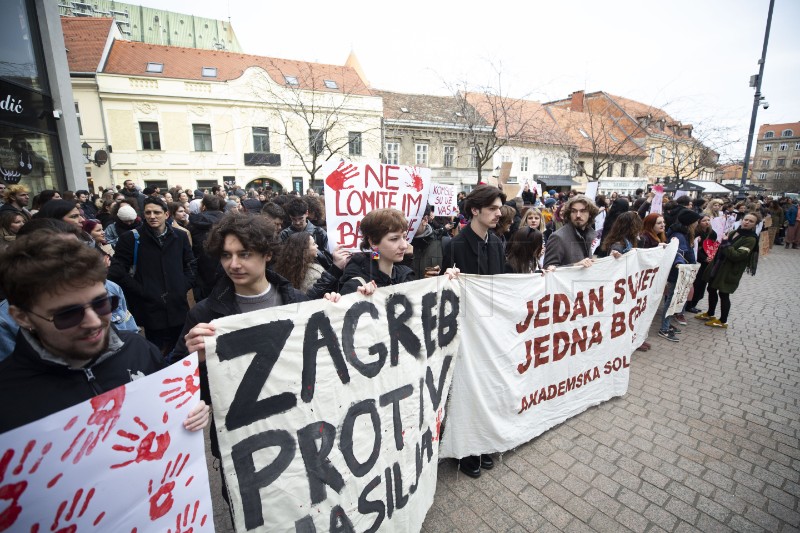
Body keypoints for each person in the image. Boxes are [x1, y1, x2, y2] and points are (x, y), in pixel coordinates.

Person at [0, 233, 207, 433]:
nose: (93, 322)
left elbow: (168, 407)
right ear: (22, 317)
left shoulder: (138, 349)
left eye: (102, 303)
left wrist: (188, 413)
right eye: (68, 314)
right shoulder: (8, 398)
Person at [441, 185, 506, 479]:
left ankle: (481, 441)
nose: (498, 213)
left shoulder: (497, 243)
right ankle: (465, 450)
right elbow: (443, 294)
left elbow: (502, 283)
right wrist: (447, 279)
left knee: (487, 386)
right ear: (475, 211)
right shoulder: (454, 245)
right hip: (464, 330)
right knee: (466, 389)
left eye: (499, 208)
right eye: (492, 208)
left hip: (489, 330)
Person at [109, 197, 195, 356]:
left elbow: (190, 264)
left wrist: (183, 285)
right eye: (148, 212)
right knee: (156, 352)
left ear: (167, 214)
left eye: (157, 212)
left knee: (181, 351)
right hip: (151, 307)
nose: (152, 216)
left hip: (177, 304)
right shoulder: (131, 238)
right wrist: (142, 290)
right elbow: (118, 270)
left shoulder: (180, 236)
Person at [697, 212, 760, 329]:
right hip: (718, 266)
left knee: (723, 293)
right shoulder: (734, 232)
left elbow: (737, 255)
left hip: (730, 270)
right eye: (746, 219)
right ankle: (710, 314)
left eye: (751, 221)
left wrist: (725, 243)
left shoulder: (751, 239)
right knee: (711, 288)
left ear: (755, 224)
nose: (747, 222)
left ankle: (723, 321)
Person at [339, 208, 416, 295]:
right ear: (373, 242)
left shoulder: (406, 275)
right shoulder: (357, 285)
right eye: (394, 239)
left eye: (404, 237)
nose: (404, 246)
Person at [657, 209, 702, 342]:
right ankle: (664, 329)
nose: (697, 224)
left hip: (681, 272)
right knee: (671, 301)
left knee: (671, 300)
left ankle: (667, 324)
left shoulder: (683, 233)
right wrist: (680, 264)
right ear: (690, 222)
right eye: (696, 221)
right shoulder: (680, 235)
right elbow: (679, 253)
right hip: (677, 273)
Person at [272, 231, 350, 296]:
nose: (317, 246)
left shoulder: (288, 267)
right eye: (313, 244)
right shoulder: (312, 273)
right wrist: (336, 267)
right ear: (304, 250)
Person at [542, 195, 599, 269]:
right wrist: (575, 265)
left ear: (590, 214)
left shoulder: (589, 234)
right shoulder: (558, 237)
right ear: (569, 214)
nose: (578, 215)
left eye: (583, 211)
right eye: (574, 211)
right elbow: (548, 269)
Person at [280, 197, 332, 268]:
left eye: (301, 218)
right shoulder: (284, 234)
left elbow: (328, 259)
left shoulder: (320, 233)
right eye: (293, 219)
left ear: (307, 213)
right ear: (289, 216)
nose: (297, 222)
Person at [685, 214, 716, 314]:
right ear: (699, 222)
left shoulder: (712, 233)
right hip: (697, 261)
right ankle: (689, 305)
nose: (707, 222)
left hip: (706, 263)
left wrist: (710, 256)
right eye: (704, 220)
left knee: (702, 284)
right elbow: (694, 249)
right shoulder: (695, 232)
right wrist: (703, 257)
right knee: (695, 284)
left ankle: (694, 304)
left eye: (708, 220)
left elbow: (712, 246)